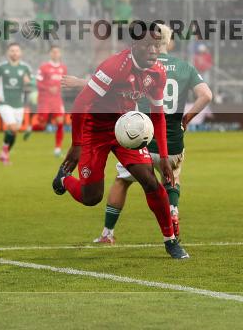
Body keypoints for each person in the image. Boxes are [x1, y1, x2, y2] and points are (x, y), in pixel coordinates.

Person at [51, 23, 189, 259]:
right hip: (95, 130)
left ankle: (171, 241)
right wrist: (77, 145)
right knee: (91, 197)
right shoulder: (114, 67)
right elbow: (81, 104)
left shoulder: (157, 72)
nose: (154, 51)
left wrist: (164, 157)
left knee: (150, 180)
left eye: (157, 45)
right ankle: (65, 179)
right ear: (134, 45)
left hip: (126, 129)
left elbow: (158, 115)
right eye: (148, 46)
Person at [91, 24, 212, 244]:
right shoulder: (185, 67)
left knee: (122, 180)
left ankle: (107, 233)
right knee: (172, 180)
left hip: (140, 136)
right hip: (172, 136)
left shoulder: (142, 67)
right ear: (170, 42)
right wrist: (186, 119)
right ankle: (172, 210)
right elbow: (206, 95)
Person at [0, 43, 34, 164]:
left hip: (19, 104)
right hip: (4, 102)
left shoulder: (26, 68)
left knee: (14, 131)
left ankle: (4, 152)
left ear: (21, 53)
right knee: (13, 127)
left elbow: (33, 83)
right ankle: (5, 154)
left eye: (17, 51)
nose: (14, 53)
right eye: (12, 51)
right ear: (8, 53)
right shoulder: (1, 67)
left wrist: (29, 81)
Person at [35, 45, 68, 157]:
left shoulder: (63, 68)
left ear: (60, 54)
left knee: (60, 122)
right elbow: (38, 83)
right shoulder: (44, 67)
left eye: (57, 52)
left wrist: (58, 87)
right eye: (53, 52)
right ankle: (31, 128)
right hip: (45, 99)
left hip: (56, 99)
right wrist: (48, 88)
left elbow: (64, 82)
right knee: (42, 124)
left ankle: (57, 148)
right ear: (50, 53)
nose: (55, 54)